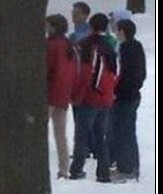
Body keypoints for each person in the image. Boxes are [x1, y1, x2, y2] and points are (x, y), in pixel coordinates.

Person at [69, 14, 118, 182]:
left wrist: (76, 94)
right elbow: (113, 72)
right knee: (101, 135)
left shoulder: (85, 45)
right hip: (105, 96)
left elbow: (83, 73)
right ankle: (103, 171)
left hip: (89, 96)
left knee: (82, 135)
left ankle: (76, 168)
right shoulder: (109, 46)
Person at [109, 17, 147, 180]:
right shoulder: (137, 46)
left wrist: (116, 90)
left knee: (122, 132)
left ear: (122, 32)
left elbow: (124, 73)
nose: (115, 33)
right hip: (133, 95)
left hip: (124, 96)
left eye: (117, 30)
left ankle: (125, 168)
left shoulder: (125, 48)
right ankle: (132, 165)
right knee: (129, 131)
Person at [45, 13, 77, 179]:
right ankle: (64, 169)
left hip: (49, 92)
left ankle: (39, 164)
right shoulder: (69, 45)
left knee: (40, 130)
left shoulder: (50, 45)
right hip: (63, 93)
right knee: (60, 134)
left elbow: (47, 67)